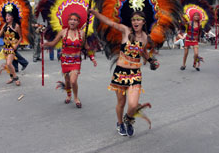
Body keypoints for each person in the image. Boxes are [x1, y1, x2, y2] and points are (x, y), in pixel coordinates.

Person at [90, 9, 159, 137]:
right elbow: (109, 22)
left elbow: (142, 51)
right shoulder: (125, 31)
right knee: (121, 103)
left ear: (143, 22)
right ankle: (120, 123)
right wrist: (95, 13)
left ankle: (128, 119)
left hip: (135, 74)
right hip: (120, 72)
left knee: (132, 104)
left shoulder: (145, 37)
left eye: (138, 19)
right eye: (133, 20)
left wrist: (150, 60)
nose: (135, 22)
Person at [43, 13, 97, 108]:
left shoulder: (82, 33)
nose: (72, 21)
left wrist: (92, 58)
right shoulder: (63, 32)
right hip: (65, 60)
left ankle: (76, 98)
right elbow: (53, 43)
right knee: (67, 81)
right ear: (68, 21)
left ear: (78, 22)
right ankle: (69, 95)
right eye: (71, 19)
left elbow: (87, 47)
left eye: (75, 20)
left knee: (73, 81)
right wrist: (45, 44)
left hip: (76, 61)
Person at [0, 5, 22, 86]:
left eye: (9, 16)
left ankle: (16, 78)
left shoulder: (16, 26)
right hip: (5, 48)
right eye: (6, 15)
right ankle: (11, 77)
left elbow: (20, 37)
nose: (7, 17)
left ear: (12, 17)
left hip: (12, 47)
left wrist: (16, 45)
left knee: (9, 63)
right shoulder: (4, 25)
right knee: (8, 64)